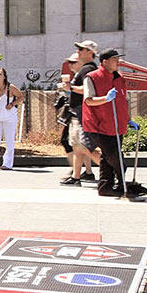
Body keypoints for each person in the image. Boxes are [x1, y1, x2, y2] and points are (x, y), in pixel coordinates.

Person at [82, 48, 135, 197]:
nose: (118, 62)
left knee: (107, 157)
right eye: (115, 60)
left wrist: (128, 119)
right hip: (99, 125)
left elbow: (122, 102)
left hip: (117, 125)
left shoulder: (119, 77)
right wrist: (105, 98)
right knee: (115, 157)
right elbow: (88, 100)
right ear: (105, 62)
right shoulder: (92, 77)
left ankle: (105, 187)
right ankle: (122, 184)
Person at [61, 40, 101, 186]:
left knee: (85, 147)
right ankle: (76, 177)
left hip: (82, 113)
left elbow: (88, 90)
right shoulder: (86, 69)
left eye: (81, 49)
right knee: (77, 147)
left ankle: (113, 172)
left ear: (90, 52)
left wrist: (70, 88)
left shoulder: (88, 70)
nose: (78, 51)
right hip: (77, 113)